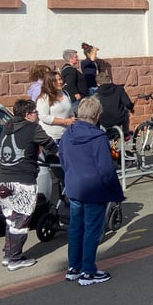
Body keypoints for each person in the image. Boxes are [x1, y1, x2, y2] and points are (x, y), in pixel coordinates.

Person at [58, 96, 124, 286]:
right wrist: (115, 191)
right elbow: (106, 169)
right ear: (96, 115)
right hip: (94, 189)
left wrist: (71, 174)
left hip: (74, 185)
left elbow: (62, 157)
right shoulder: (98, 137)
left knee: (76, 227)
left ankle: (74, 267)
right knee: (92, 230)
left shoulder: (68, 133)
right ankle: (88, 271)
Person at [0, 99, 57, 271]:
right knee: (22, 219)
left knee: (10, 218)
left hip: (4, 179)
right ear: (28, 114)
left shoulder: (6, 126)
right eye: (35, 112)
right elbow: (50, 145)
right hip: (23, 180)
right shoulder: (33, 128)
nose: (37, 115)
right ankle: (15, 259)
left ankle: (8, 254)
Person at [36, 71, 75, 141]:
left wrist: (72, 118)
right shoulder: (44, 98)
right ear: (49, 83)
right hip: (51, 137)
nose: (59, 82)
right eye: (55, 81)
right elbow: (43, 117)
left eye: (60, 79)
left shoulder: (65, 94)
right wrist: (64, 121)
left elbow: (70, 111)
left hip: (66, 134)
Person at [94, 71, 134, 138]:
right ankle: (126, 134)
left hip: (103, 121)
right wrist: (131, 107)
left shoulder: (96, 94)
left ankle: (98, 136)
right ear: (110, 80)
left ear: (98, 84)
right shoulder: (119, 89)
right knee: (126, 111)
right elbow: (127, 103)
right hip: (119, 119)